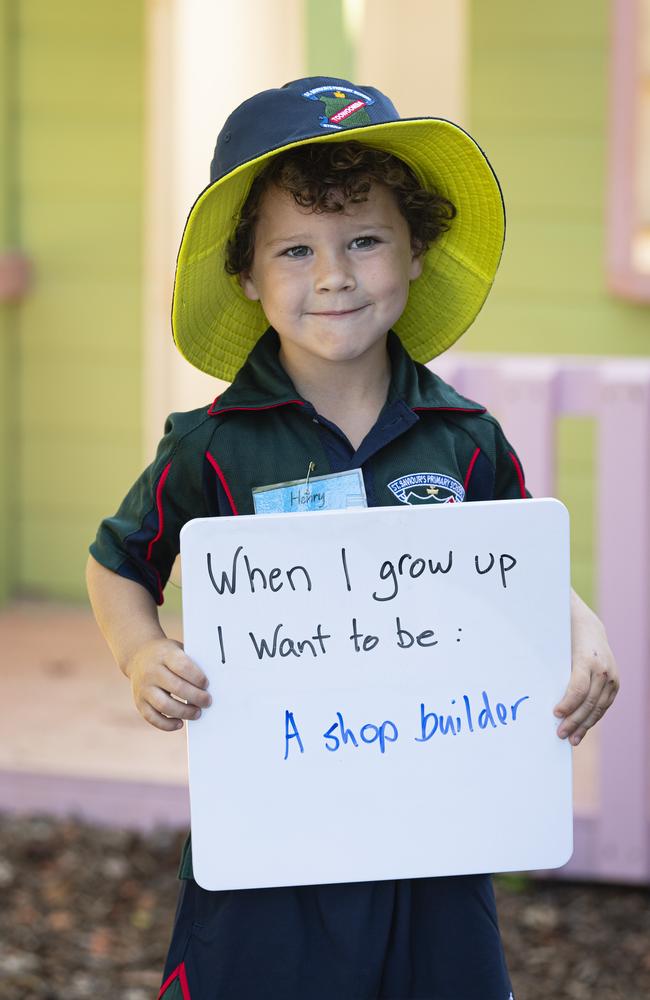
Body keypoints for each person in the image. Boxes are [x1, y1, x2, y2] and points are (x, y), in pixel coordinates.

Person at [86, 77, 619, 1000]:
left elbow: (522, 570)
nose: (333, 274)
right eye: (296, 249)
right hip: (269, 842)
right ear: (248, 279)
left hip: (437, 832)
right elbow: (117, 561)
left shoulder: (465, 437)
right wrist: (140, 654)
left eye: (364, 240)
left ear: (415, 255)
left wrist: (588, 635)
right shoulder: (214, 444)